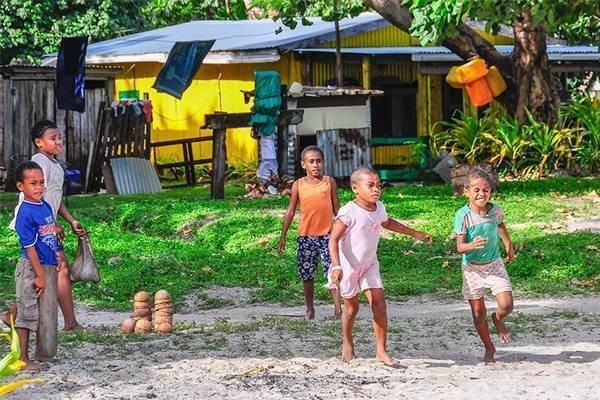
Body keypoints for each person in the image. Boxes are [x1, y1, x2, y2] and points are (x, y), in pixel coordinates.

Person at [329, 167, 433, 366]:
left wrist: (414, 233)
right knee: (351, 309)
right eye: (371, 185)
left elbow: (387, 222)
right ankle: (347, 341)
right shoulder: (348, 212)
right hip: (348, 267)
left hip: (369, 264)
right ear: (355, 188)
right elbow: (333, 240)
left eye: (378, 185)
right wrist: (336, 266)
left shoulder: (379, 208)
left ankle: (381, 351)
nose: (376, 189)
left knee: (379, 304)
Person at [3, 120, 86, 332]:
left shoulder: (54, 164)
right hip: (37, 226)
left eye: (59, 137)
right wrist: (51, 224)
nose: (59, 141)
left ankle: (12, 315)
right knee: (59, 269)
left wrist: (70, 220)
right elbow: (36, 198)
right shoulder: (39, 162)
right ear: (39, 143)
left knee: (52, 271)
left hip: (47, 223)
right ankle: (70, 323)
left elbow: (54, 198)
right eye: (53, 138)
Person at [453, 166, 515, 364]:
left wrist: (508, 244)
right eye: (476, 190)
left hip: (494, 264)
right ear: (466, 192)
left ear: (490, 191)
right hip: (472, 268)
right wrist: (472, 245)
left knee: (507, 305)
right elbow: (460, 247)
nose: (481, 193)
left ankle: (497, 319)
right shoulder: (463, 216)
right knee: (479, 314)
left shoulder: (495, 210)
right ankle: (489, 347)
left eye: (485, 190)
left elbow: (500, 225)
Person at [12, 161, 67, 370]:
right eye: (33, 183)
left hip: (47, 264)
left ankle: (41, 354)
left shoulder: (43, 205)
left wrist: (57, 258)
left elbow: (48, 233)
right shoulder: (24, 213)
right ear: (20, 187)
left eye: (41, 182)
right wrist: (39, 275)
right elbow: (30, 247)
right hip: (31, 267)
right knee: (27, 313)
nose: (39, 187)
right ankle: (22, 358)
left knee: (46, 311)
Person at [277, 145, 342, 319]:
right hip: (306, 237)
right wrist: (283, 235)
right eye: (311, 161)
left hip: (328, 236)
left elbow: (337, 208)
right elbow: (291, 211)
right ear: (303, 164)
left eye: (319, 161)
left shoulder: (329, 182)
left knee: (333, 271)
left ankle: (338, 308)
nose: (316, 165)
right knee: (307, 275)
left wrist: (345, 230)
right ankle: (310, 309)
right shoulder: (298, 185)